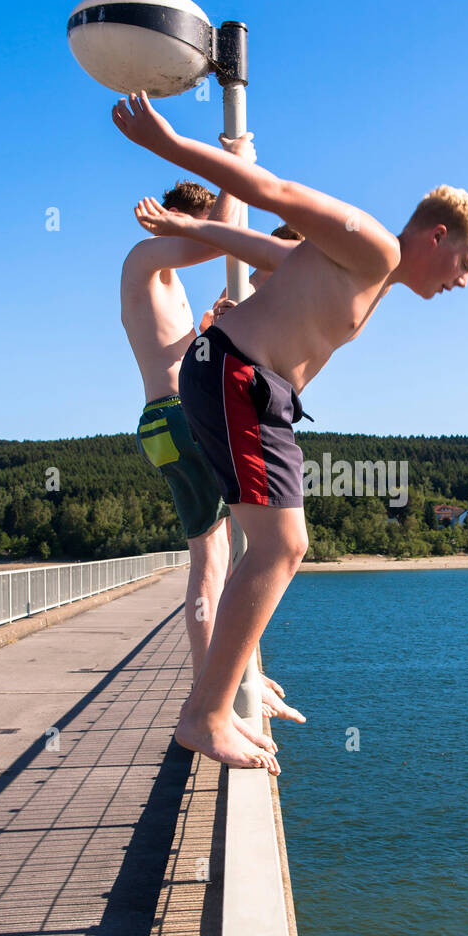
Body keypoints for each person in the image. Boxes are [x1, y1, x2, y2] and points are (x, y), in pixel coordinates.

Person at [112, 91, 468, 772]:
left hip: (262, 395)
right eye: (465, 264)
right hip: (237, 377)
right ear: (437, 237)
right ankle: (204, 717)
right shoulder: (374, 245)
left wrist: (192, 227)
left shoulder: (372, 278)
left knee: (264, 548)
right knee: (282, 545)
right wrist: (166, 144)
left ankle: (229, 690)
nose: (462, 283)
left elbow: (260, 246)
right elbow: (274, 191)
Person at [121, 144, 303, 774]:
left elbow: (185, 353)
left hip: (172, 418)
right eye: (179, 224)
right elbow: (211, 240)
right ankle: (213, 701)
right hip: (173, 418)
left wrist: (215, 329)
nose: (183, 239)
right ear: (162, 218)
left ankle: (234, 681)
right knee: (217, 558)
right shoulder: (142, 263)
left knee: (230, 553)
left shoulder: (168, 290)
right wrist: (234, 161)